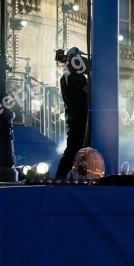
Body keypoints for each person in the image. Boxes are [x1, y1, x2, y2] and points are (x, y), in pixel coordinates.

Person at [54, 47, 89, 179]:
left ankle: (64, 177)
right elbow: (84, 96)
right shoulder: (75, 77)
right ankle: (60, 177)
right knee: (73, 150)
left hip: (73, 116)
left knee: (75, 150)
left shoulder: (66, 75)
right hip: (79, 117)